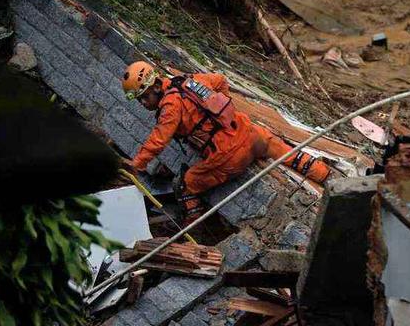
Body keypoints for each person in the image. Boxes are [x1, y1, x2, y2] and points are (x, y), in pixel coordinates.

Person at [121, 61, 330, 222]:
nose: (143, 103)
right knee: (290, 154)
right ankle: (327, 177)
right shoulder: (188, 80)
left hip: (229, 156)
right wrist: (223, 113)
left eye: (144, 97)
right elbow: (220, 80)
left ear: (156, 87)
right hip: (249, 132)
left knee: (185, 186)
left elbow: (158, 140)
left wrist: (136, 164)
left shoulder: (170, 107)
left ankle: (194, 228)